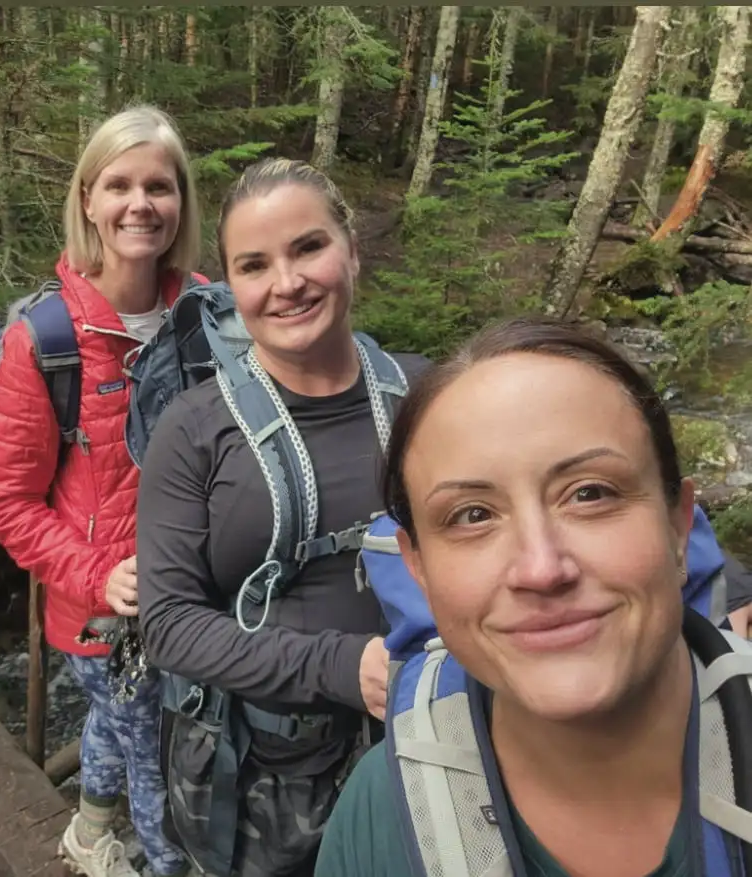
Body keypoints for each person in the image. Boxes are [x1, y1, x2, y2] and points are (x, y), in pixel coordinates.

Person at [316, 317, 752, 877]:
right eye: (472, 515)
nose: (542, 568)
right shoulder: (381, 818)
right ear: (418, 568)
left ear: (678, 525)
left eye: (590, 494)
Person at [136, 158, 429, 877]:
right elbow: (167, 622)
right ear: (230, 286)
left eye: (308, 247)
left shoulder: (426, 395)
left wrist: (725, 585)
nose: (287, 283)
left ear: (351, 250)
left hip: (427, 748)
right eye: (254, 264)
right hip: (262, 780)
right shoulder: (195, 427)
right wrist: (341, 665)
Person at [0, 105, 201, 877]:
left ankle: (87, 832)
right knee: (162, 774)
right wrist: (97, 574)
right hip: (108, 615)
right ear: (88, 200)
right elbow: (5, 500)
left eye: (159, 186)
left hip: (200, 593)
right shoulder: (44, 341)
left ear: (181, 202)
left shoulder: (207, 312)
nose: (141, 203)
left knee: (121, 727)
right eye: (120, 184)